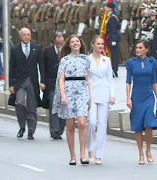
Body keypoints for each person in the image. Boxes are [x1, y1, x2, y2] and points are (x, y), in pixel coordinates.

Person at [52, 34, 91, 165]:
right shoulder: (64, 60)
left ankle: (83, 155)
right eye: (72, 42)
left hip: (82, 91)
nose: (75, 43)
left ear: (80, 43)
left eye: (77, 41)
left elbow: (88, 79)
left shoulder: (86, 59)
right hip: (69, 91)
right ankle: (73, 156)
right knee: (70, 125)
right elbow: (61, 79)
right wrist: (63, 95)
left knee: (81, 122)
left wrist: (90, 97)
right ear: (69, 45)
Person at [126, 39, 157, 165]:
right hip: (136, 96)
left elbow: (154, 81)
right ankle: (140, 153)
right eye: (137, 47)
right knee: (138, 125)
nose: (138, 50)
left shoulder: (152, 62)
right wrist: (128, 98)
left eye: (141, 47)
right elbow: (128, 82)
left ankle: (148, 150)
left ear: (146, 49)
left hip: (148, 96)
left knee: (149, 123)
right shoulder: (131, 63)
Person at [9, 27, 46, 140]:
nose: (26, 36)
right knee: (19, 102)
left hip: (33, 81)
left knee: (32, 106)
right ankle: (22, 126)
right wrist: (11, 84)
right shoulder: (15, 49)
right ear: (20, 37)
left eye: (28, 34)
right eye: (24, 35)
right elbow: (11, 67)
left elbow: (41, 66)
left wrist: (43, 81)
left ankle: (31, 130)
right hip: (20, 81)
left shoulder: (37, 48)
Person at [86, 35, 115, 165]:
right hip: (91, 93)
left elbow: (110, 79)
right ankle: (90, 149)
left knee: (102, 124)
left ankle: (99, 154)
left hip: (104, 93)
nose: (101, 46)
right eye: (98, 44)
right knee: (92, 122)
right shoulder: (86, 60)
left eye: (102, 44)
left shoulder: (106, 60)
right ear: (92, 45)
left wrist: (112, 95)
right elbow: (85, 79)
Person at [41, 33, 66, 139]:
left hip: (65, 84)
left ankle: (60, 129)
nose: (60, 44)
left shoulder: (67, 51)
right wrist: (43, 82)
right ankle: (54, 131)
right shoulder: (48, 50)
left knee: (64, 107)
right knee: (53, 106)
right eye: (58, 42)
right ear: (54, 41)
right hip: (51, 83)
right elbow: (43, 67)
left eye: (61, 42)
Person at [105, 2, 121, 77]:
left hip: (113, 38)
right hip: (111, 38)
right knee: (113, 55)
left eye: (106, 7)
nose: (105, 8)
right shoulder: (110, 16)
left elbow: (114, 29)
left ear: (110, 8)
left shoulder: (112, 17)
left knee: (114, 55)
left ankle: (115, 71)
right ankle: (113, 70)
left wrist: (114, 39)